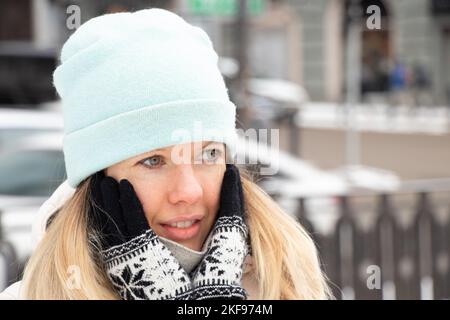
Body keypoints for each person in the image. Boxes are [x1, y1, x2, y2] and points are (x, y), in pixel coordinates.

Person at [0, 8, 331, 300]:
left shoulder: (289, 286)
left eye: (208, 154)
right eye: (152, 161)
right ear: (96, 179)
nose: (188, 191)